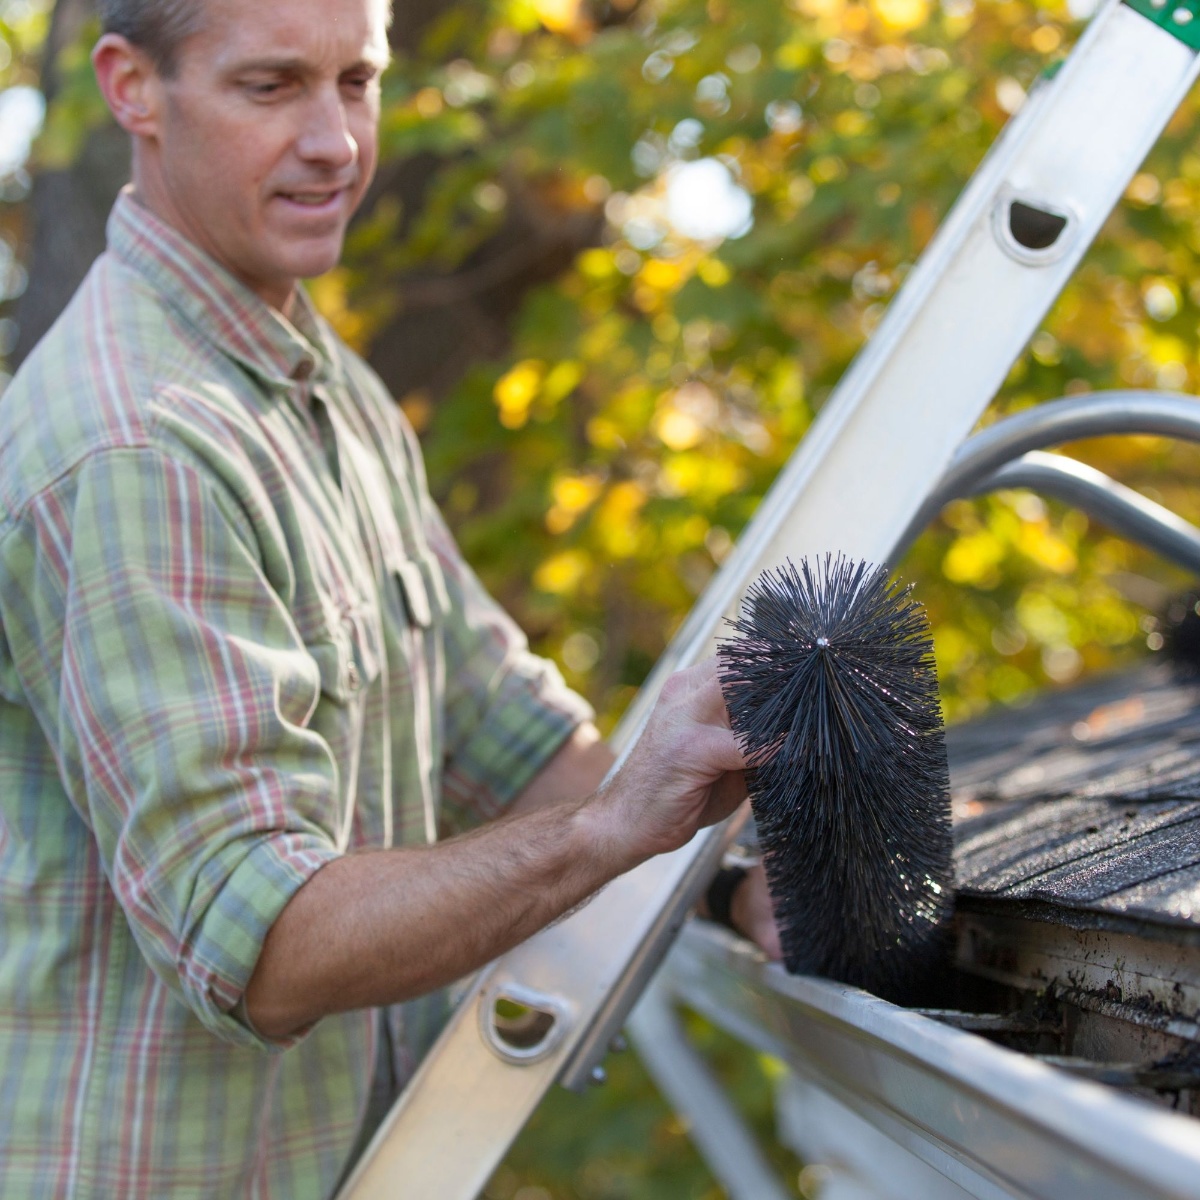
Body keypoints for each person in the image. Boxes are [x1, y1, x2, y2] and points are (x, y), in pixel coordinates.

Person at [0, 0, 779, 1194]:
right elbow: (265, 941)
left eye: (356, 81)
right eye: (271, 86)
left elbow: (504, 732)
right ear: (133, 88)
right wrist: (611, 832)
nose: (335, 143)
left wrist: (730, 875)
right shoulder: (135, 447)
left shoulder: (328, 390)